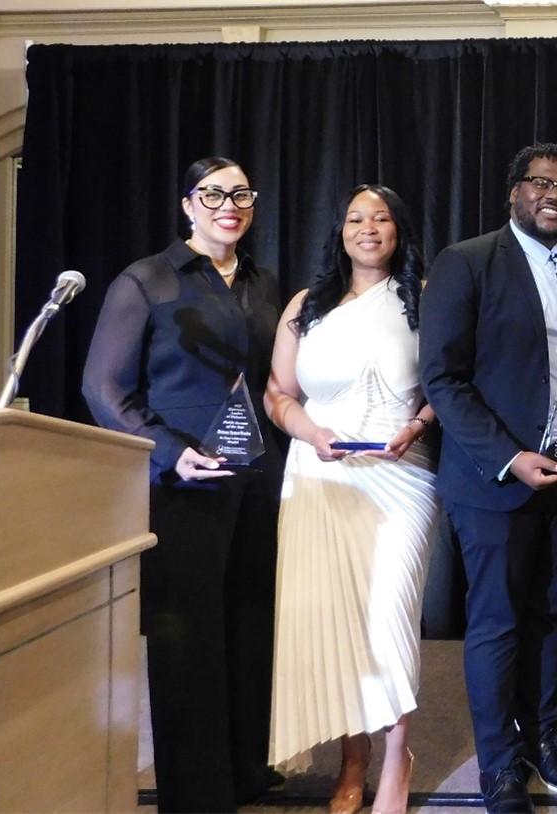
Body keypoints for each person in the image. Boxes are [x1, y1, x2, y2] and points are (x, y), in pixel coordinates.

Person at [81, 156, 282, 813]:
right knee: (187, 637)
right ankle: (197, 792)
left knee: (249, 626)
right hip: (180, 483)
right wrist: (170, 451)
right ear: (188, 204)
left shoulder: (264, 282)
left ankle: (244, 769)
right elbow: (103, 387)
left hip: (253, 479)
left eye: (241, 194)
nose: (230, 204)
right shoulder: (149, 279)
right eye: (215, 193)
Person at [418, 142, 557, 814]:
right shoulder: (466, 262)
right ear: (513, 192)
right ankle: (498, 765)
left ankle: (541, 734)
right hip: (496, 479)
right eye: (539, 181)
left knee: (547, 615)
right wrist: (508, 455)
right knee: (497, 623)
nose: (553, 193)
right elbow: (443, 378)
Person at [264, 184, 441, 814]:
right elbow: (277, 392)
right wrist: (311, 432)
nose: (368, 228)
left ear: (400, 230)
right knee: (339, 622)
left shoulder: (425, 299)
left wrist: (416, 425)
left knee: (388, 619)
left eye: (382, 218)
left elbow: (448, 385)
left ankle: (397, 756)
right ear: (339, 230)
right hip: (320, 477)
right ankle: (353, 758)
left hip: (402, 477)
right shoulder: (306, 305)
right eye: (355, 218)